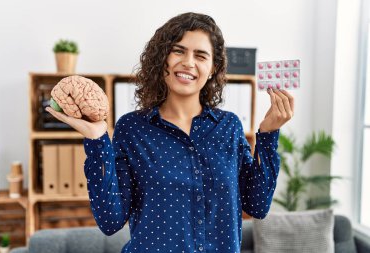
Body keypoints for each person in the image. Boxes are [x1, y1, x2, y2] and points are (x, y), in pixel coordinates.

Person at [46, 12, 294, 253]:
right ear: (162, 57)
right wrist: (97, 139)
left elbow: (257, 205)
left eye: (200, 55)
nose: (188, 62)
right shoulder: (132, 129)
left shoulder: (229, 127)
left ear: (213, 68)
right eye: (178, 50)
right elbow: (110, 221)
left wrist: (269, 132)